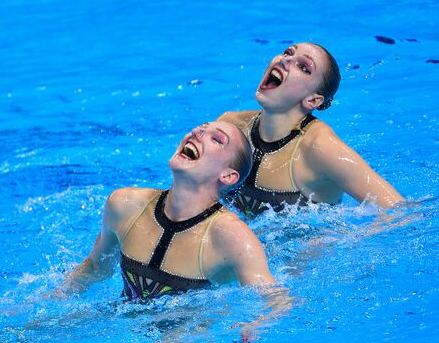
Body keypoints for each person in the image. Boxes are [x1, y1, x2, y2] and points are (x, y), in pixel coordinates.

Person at [56, 121, 278, 300]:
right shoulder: (125, 205)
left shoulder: (232, 238)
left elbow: (275, 299)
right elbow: (96, 267)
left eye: (216, 139)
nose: (197, 132)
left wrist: (254, 325)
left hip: (190, 337)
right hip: (122, 323)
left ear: (228, 176)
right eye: (201, 128)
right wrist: (55, 297)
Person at [218, 42, 404, 217]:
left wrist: (349, 239)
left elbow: (399, 212)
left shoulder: (321, 149)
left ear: (313, 100)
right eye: (288, 52)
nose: (286, 59)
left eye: (304, 67)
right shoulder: (230, 128)